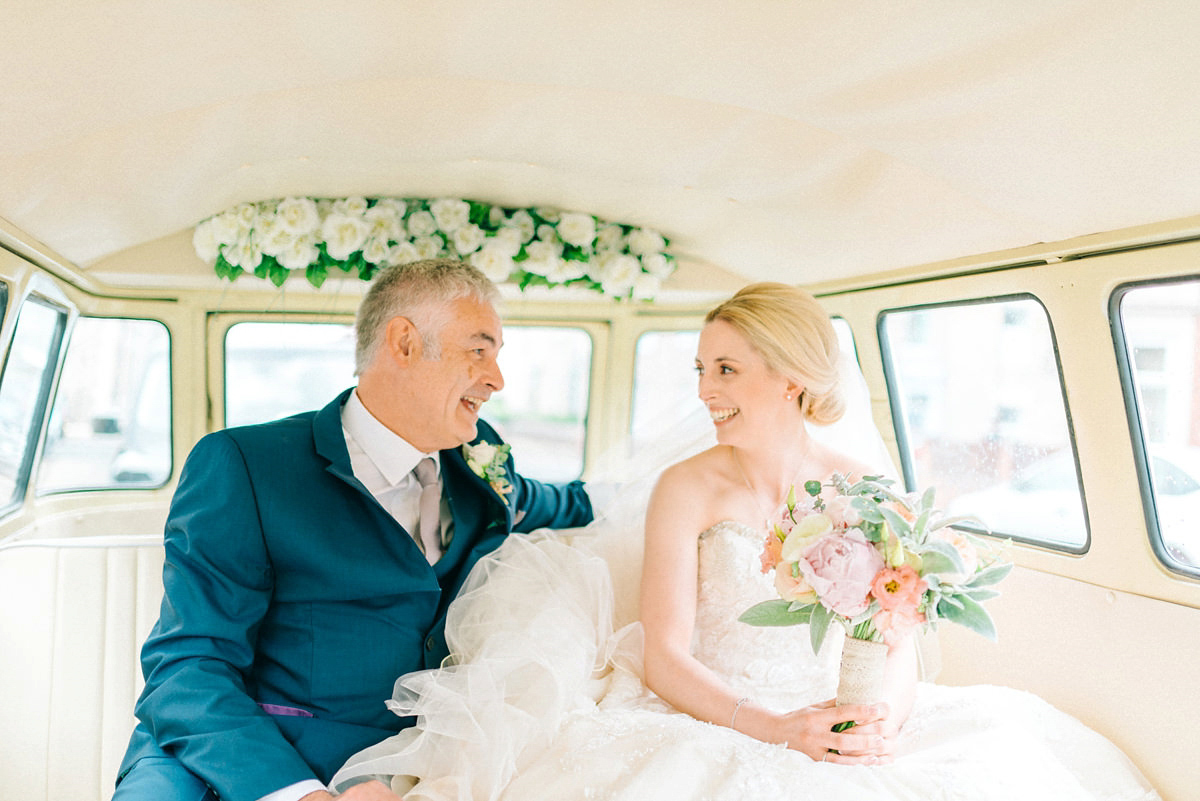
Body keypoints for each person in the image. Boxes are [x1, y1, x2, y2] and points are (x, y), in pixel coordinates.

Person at [330, 283, 1160, 800]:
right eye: (699, 369)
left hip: (840, 717)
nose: (704, 391)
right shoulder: (687, 487)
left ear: (791, 374)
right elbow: (664, 656)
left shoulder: (866, 491)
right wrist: (775, 728)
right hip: (712, 713)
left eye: (725, 369)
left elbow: (898, 638)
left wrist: (876, 720)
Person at [111, 258, 595, 801]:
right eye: (479, 351)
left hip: (409, 763)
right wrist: (299, 794)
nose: (497, 379)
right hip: (243, 757)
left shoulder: (483, 468)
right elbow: (189, 668)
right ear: (405, 343)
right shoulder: (246, 464)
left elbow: (569, 502)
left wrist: (680, 490)